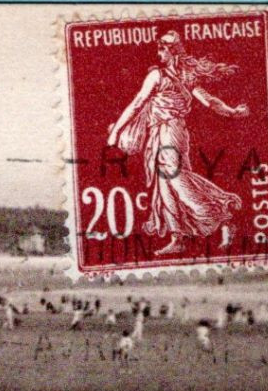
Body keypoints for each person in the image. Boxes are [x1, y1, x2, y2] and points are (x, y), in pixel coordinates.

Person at [106, 30, 249, 256]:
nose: (159, 54)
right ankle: (178, 237)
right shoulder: (184, 78)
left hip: (169, 130)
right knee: (165, 183)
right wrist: (232, 112)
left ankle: (221, 215)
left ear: (170, 52)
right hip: (167, 132)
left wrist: (116, 131)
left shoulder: (159, 76)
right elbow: (209, 101)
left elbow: (137, 103)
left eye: (162, 50)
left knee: (176, 177)